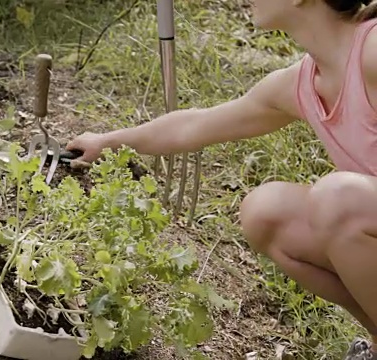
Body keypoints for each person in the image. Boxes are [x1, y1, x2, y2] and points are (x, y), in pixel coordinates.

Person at [65, 0, 377, 358]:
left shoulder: (371, 51)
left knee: (337, 198)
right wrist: (108, 142)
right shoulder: (303, 83)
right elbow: (194, 124)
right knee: (266, 212)